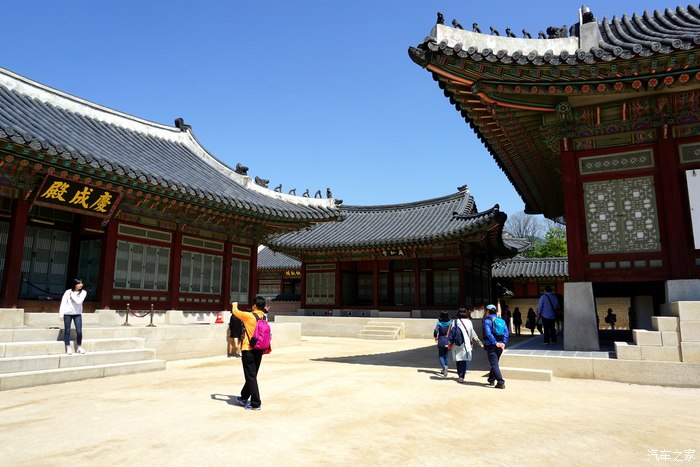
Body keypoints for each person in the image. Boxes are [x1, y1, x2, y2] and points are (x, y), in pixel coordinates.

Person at [232, 296, 268, 411]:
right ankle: (244, 397)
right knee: (252, 375)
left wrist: (234, 303)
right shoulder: (264, 317)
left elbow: (235, 312)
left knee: (251, 376)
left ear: (255, 306)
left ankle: (255, 403)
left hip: (248, 349)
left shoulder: (249, 316)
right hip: (259, 349)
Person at [447, 308, 483, 383]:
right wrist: (479, 343)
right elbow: (472, 333)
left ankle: (460, 375)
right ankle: (462, 375)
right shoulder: (469, 322)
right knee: (464, 360)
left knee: (458, 360)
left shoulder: (454, 321)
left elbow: (451, 333)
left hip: (457, 343)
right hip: (466, 344)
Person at [59, 279, 87, 355]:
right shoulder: (67, 292)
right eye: (79, 283)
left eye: (81, 283)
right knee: (67, 330)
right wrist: (61, 314)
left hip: (77, 314)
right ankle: (68, 346)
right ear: (74, 284)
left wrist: (72, 295)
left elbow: (78, 302)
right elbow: (63, 303)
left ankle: (79, 347)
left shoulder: (83, 292)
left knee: (79, 331)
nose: (81, 285)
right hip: (67, 313)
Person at [483, 304, 508, 389]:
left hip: (491, 345)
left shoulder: (487, 321)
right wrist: (503, 342)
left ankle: (500, 382)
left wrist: (494, 342)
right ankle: (491, 379)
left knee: (494, 364)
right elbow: (506, 332)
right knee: (495, 363)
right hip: (501, 345)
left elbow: (488, 334)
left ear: (487, 311)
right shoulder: (501, 320)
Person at [433, 311, 452, 377]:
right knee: (446, 356)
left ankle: (444, 367)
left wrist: (435, 336)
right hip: (447, 341)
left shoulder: (439, 323)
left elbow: (436, 330)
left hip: (441, 340)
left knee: (441, 356)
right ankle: (445, 368)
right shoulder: (450, 323)